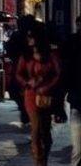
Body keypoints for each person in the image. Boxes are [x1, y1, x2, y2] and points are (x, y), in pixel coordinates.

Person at [16, 26, 61, 166]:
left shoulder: (50, 55)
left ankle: (44, 159)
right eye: (28, 36)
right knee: (35, 128)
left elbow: (58, 74)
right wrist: (27, 82)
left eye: (31, 36)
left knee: (45, 130)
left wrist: (46, 87)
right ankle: (38, 160)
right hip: (31, 94)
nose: (29, 39)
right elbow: (18, 73)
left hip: (46, 95)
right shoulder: (26, 56)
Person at [6, 15, 35, 127]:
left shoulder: (19, 35)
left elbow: (9, 49)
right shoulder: (25, 35)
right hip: (25, 67)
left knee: (16, 91)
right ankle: (26, 113)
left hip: (23, 67)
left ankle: (26, 113)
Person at [64, 16, 81, 166]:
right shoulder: (72, 42)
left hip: (76, 99)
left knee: (77, 148)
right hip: (76, 99)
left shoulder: (71, 42)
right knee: (77, 148)